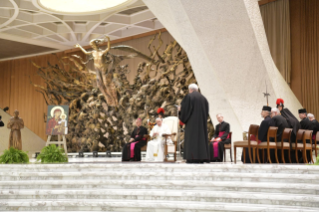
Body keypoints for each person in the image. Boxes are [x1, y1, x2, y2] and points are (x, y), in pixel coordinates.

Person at [178, 83, 209, 163]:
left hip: (192, 124)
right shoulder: (204, 99)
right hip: (202, 124)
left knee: (192, 140)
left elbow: (185, 111)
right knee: (201, 139)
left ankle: (192, 157)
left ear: (190, 90)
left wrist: (180, 111)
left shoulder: (189, 97)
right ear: (197, 90)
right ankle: (201, 157)